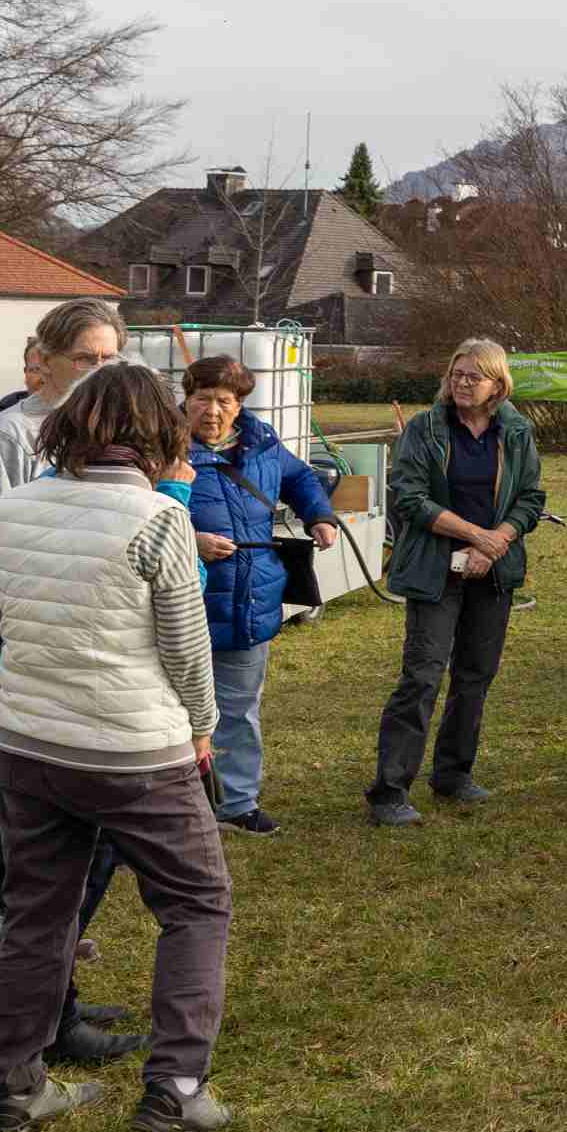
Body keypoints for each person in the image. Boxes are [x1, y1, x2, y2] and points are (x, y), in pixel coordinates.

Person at [0, 363, 234, 1132]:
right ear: (159, 432)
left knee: (36, 916)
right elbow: (187, 649)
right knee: (195, 902)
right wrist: (203, 727)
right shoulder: (158, 519)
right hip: (132, 749)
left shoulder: (14, 507)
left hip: (26, 741)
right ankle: (178, 1086)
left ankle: (14, 1088)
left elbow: (5, 612)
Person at [0, 300, 145, 1049]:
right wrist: (36, 611)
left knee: (77, 806)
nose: (100, 373)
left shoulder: (110, 437)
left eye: (111, 359)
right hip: (21, 640)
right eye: (87, 359)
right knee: (5, 796)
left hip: (90, 645)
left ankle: (39, 956)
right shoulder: (11, 434)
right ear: (46, 360)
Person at [367, 340, 545, 826]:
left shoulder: (517, 431)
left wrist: (496, 543)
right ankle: (389, 790)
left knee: (475, 675)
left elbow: (530, 497)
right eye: (457, 374)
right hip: (434, 568)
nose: (462, 383)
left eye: (474, 376)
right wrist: (473, 537)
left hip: (493, 570)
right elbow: (409, 497)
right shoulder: (426, 429)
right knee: (422, 677)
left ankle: (453, 773)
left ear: (498, 385)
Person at [180, 356, 341, 835]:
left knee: (238, 709)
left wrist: (320, 515)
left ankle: (236, 803)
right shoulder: (160, 446)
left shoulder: (263, 443)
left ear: (240, 405)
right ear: (185, 400)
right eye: (202, 400)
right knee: (170, 710)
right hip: (183, 604)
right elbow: (135, 512)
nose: (212, 411)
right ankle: (174, 809)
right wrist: (191, 542)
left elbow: (300, 478)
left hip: (251, 598)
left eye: (223, 402)